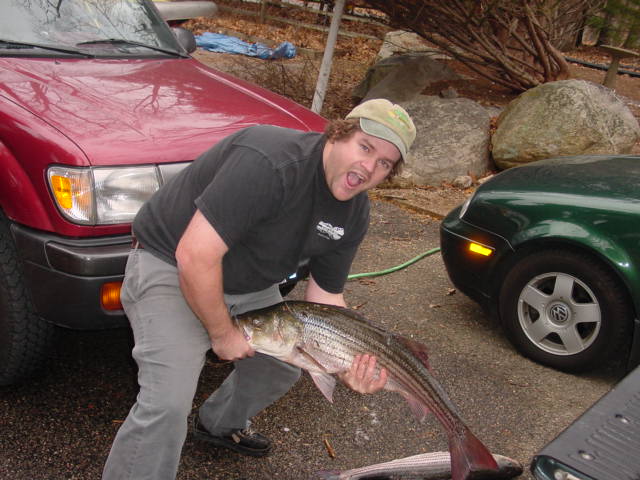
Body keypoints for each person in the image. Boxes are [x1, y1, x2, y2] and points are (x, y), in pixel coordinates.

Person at [102, 98, 417, 480]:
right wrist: (222, 334)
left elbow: (327, 298)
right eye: (365, 147)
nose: (369, 167)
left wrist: (348, 363)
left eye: (384, 163)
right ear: (337, 134)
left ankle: (219, 423)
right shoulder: (270, 162)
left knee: (279, 369)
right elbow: (194, 256)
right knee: (166, 404)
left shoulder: (354, 212)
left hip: (250, 283)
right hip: (171, 265)